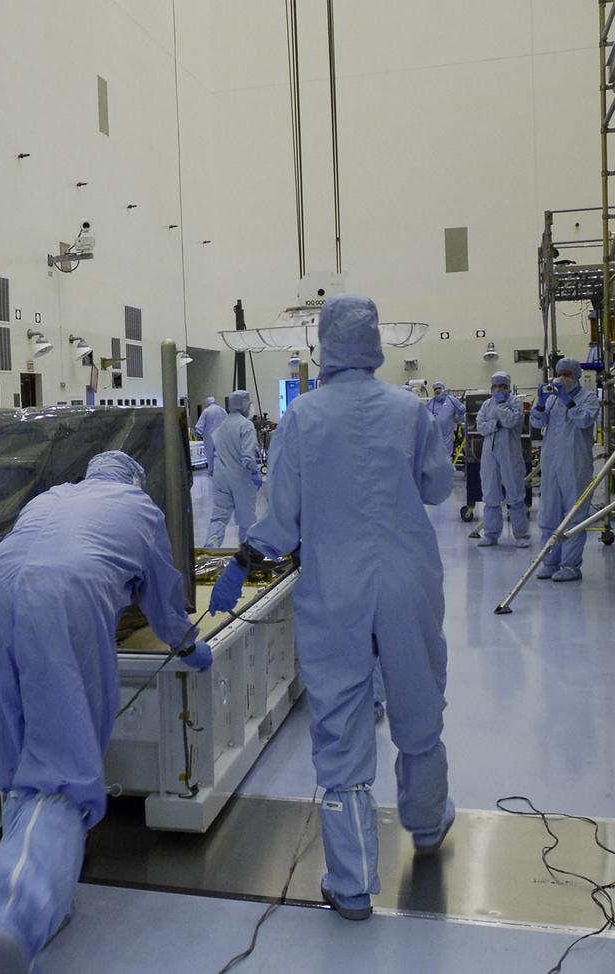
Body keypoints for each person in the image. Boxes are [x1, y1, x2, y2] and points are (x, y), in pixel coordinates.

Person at [209, 294, 456, 922]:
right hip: (407, 577)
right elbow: (436, 487)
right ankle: (427, 825)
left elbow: (282, 520)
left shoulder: (304, 416)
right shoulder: (409, 409)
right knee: (417, 697)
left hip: (336, 584)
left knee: (341, 716)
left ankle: (351, 884)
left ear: (324, 344)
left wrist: (242, 560)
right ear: (375, 342)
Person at [0, 451, 211, 973]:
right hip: (64, 599)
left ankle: (49, 899)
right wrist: (187, 644)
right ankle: (18, 913)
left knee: (15, 755)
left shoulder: (50, 496)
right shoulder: (139, 507)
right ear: (134, 479)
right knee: (61, 768)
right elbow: (162, 595)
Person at [531, 357, 599, 581]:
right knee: (549, 514)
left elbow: (584, 420)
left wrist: (567, 400)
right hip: (551, 463)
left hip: (575, 465)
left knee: (574, 515)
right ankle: (549, 562)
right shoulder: (551, 399)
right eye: (560, 374)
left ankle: (570, 566)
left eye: (567, 374)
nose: (562, 378)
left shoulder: (588, 398)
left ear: (577, 375)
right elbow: (537, 423)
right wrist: (540, 403)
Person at [475, 371, 530, 548]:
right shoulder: (486, 404)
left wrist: (500, 407)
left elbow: (510, 422)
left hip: (510, 454)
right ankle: (491, 534)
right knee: (490, 493)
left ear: (508, 387)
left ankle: (521, 534)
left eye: (502, 386)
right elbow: (480, 427)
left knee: (515, 493)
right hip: (489, 455)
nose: (498, 389)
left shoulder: (515, 403)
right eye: (495, 386)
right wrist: (495, 424)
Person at [203, 390, 263, 548]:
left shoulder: (222, 424)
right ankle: (246, 554)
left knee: (219, 517)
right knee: (246, 521)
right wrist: (255, 473)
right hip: (241, 478)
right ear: (245, 404)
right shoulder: (246, 425)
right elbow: (248, 457)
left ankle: (211, 548)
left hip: (221, 477)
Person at [426, 381, 466, 459]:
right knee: (436, 456)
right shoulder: (431, 403)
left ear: (443, 389)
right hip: (435, 435)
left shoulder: (451, 400)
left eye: (439, 388)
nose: (437, 390)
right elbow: (425, 417)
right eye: (435, 389)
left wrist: (460, 421)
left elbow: (462, 410)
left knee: (446, 456)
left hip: (447, 434)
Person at [193, 396, 227, 475]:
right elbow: (228, 420)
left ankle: (211, 471)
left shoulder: (206, 411)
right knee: (221, 454)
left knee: (210, 455)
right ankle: (223, 471)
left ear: (207, 403)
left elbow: (200, 425)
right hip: (220, 436)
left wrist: (198, 433)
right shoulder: (221, 409)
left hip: (209, 437)